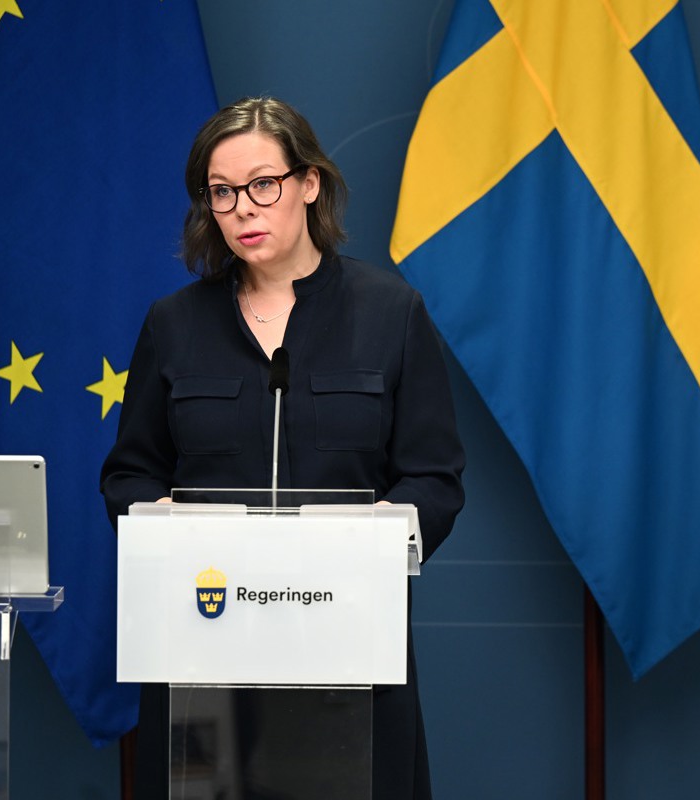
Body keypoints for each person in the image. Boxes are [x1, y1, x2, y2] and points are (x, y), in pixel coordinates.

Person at [101, 96, 465, 800]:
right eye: (223, 192)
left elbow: (435, 478)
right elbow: (129, 473)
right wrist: (157, 515)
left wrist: (384, 530)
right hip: (203, 641)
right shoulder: (174, 324)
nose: (243, 208)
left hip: (350, 642)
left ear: (308, 183)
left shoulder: (391, 313)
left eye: (262, 184)